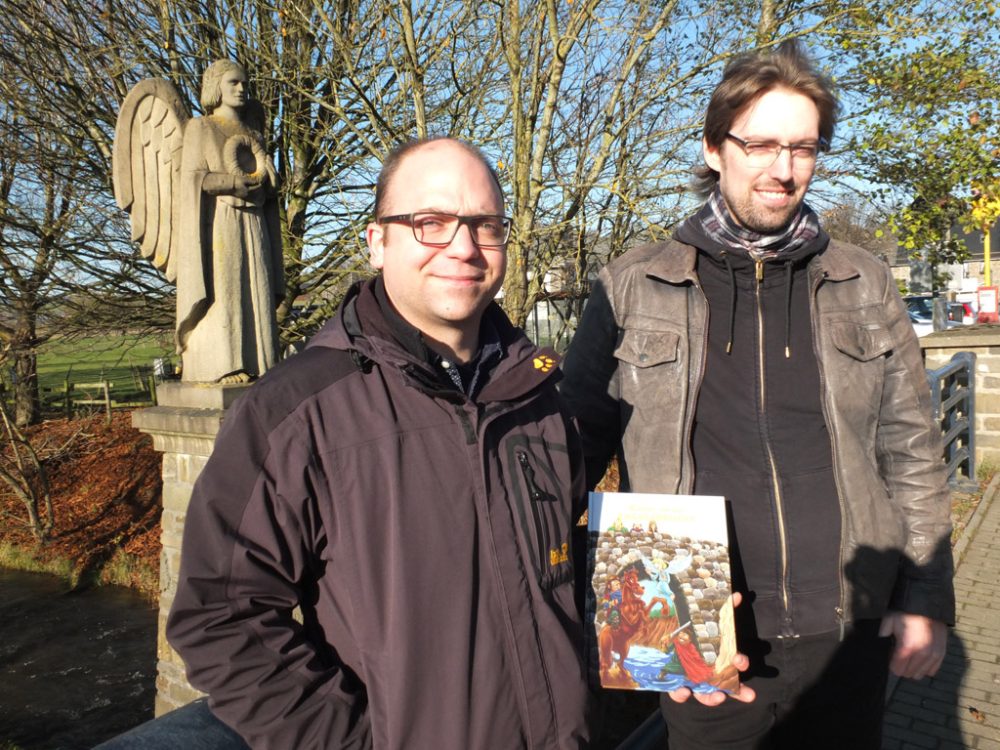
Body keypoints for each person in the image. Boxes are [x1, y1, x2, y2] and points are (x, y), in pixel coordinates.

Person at [98, 137, 589, 749]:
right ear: (378, 241)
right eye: (430, 223)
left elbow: (564, 576)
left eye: (484, 225)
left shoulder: (539, 398)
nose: (463, 247)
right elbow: (222, 615)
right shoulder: (294, 410)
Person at [560, 40, 955, 750]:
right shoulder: (630, 287)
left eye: (804, 147)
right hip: (703, 639)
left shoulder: (863, 282)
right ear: (715, 149)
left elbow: (913, 450)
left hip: (847, 628)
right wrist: (588, 608)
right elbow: (570, 452)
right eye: (762, 144)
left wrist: (925, 597)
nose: (783, 169)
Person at [177, 59, 283, 383]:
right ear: (216, 88)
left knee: (259, 287)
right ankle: (226, 364)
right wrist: (231, 183)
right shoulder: (201, 127)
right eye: (233, 83)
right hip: (222, 223)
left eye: (244, 84)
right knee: (228, 289)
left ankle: (262, 362)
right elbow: (194, 179)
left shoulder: (252, 133)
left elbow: (265, 177)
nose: (241, 89)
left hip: (255, 222)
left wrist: (271, 180)